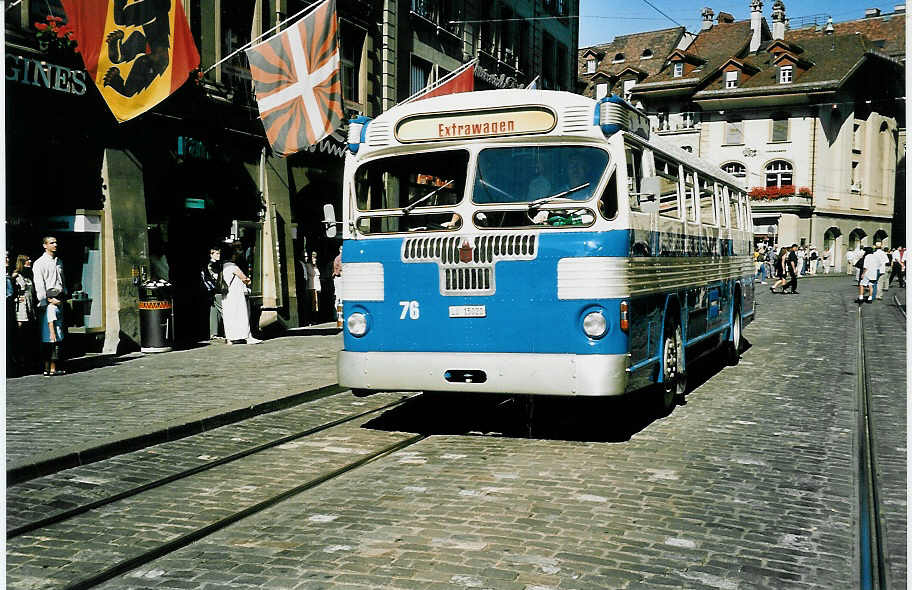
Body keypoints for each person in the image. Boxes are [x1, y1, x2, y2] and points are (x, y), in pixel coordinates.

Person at [221, 247, 262, 344]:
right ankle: (247, 337)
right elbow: (245, 279)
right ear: (232, 256)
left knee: (229, 316)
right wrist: (250, 281)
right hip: (236, 295)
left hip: (227, 296)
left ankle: (230, 338)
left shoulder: (223, 267)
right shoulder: (233, 267)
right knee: (242, 315)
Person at [11, 254, 37, 371]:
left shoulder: (29, 275)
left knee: (28, 331)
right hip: (21, 306)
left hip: (29, 304)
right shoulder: (16, 275)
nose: (30, 261)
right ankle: (19, 358)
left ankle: (27, 359)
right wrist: (16, 298)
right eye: (27, 260)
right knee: (20, 330)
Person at [200, 246, 223, 342]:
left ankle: (213, 332)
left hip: (212, 290)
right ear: (211, 254)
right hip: (215, 290)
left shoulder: (212, 264)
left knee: (214, 311)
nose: (219, 255)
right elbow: (215, 278)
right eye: (217, 253)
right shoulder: (211, 265)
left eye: (219, 253)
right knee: (223, 310)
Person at [41, 287, 65, 375]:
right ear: (49, 299)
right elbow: (51, 322)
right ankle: (52, 370)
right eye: (56, 298)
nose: (59, 299)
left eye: (60, 297)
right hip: (53, 336)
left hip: (48, 337)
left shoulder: (53, 307)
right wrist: (53, 333)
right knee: (54, 354)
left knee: (48, 354)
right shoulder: (52, 308)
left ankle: (46, 370)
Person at [307, 251, 321, 321]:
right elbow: (313, 273)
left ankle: (316, 318)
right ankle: (313, 318)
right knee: (314, 303)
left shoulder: (315, 266)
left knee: (316, 303)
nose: (315, 259)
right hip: (312, 286)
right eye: (313, 257)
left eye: (315, 257)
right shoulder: (309, 265)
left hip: (316, 286)